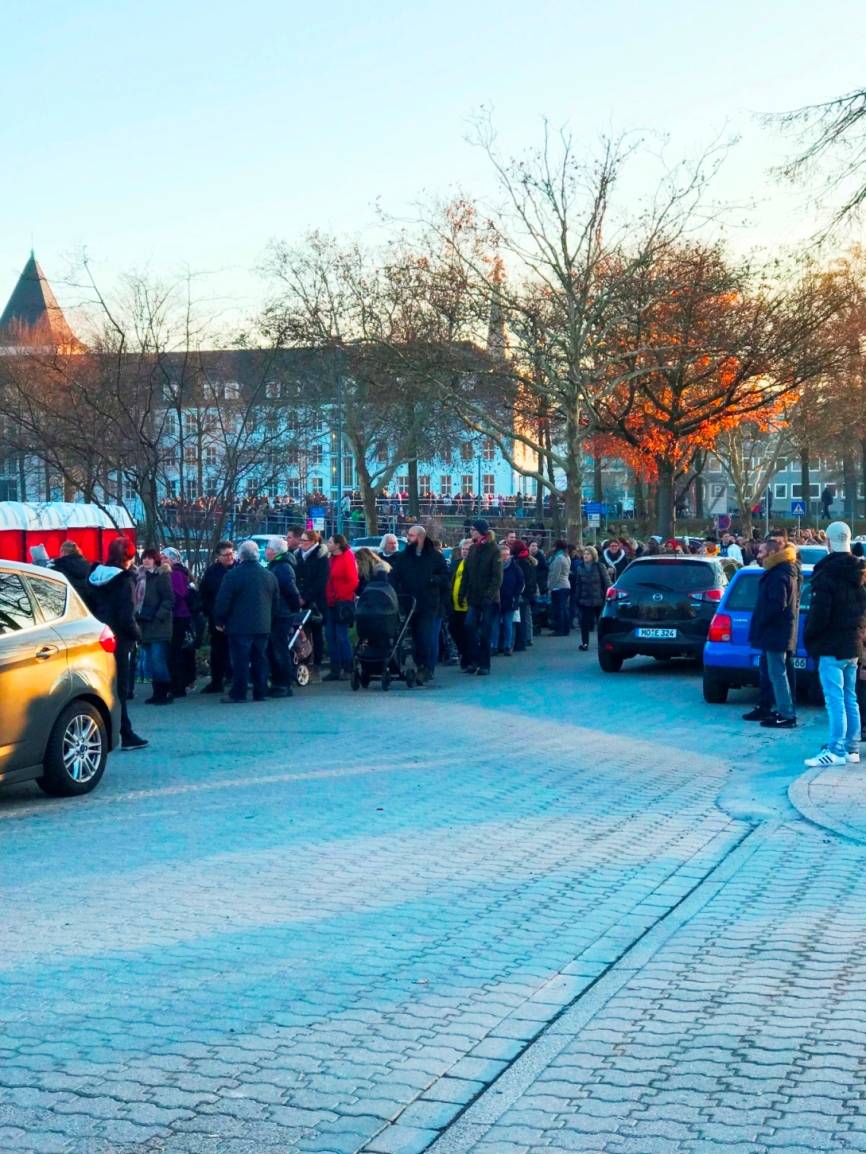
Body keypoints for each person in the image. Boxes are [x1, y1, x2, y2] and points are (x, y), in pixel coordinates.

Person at [803, 521, 866, 767]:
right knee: (850, 697)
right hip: (853, 644)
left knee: (835, 699)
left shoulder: (826, 575)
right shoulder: (860, 573)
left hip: (831, 645)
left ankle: (836, 749)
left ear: (827, 543)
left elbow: (819, 615)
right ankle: (851, 748)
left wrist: (811, 639)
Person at [86, 537, 148, 750]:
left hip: (97, 635)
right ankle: (125, 732)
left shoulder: (94, 576)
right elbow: (126, 615)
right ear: (128, 557)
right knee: (120, 688)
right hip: (119, 640)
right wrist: (137, 633)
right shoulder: (124, 580)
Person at [214, 539, 279, 703]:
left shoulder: (233, 575)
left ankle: (239, 692)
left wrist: (219, 619)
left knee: (240, 660)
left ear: (241, 556)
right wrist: (270, 619)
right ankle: (260, 691)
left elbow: (223, 600)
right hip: (263, 625)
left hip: (239, 625)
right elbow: (276, 601)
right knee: (260, 658)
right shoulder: (269, 575)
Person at [747, 537, 801, 729]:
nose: (758, 556)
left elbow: (776, 605)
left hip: (776, 633)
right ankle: (782, 711)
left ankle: (787, 715)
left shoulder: (779, 575)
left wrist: (761, 620)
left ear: (771, 553)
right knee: (777, 672)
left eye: (761, 552)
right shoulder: (783, 571)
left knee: (777, 674)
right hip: (779, 632)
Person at [390, 524, 449, 681]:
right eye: (408, 535)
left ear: (421, 537)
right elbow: (395, 576)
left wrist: (433, 580)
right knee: (414, 637)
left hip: (428, 604)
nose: (408, 538)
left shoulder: (435, 557)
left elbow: (445, 577)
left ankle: (426, 668)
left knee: (426, 637)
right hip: (409, 603)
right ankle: (416, 664)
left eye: (411, 535)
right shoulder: (403, 557)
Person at [459, 520, 503, 676]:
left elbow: (496, 577)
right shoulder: (472, 550)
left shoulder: (493, 550)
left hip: (488, 599)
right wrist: (462, 592)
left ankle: (484, 664)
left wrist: (489, 595)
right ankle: (474, 660)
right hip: (474, 597)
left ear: (481, 532)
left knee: (485, 631)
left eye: (474, 530)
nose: (471, 532)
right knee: (469, 627)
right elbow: (467, 574)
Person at [137, 549, 175, 705]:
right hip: (144, 624)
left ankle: (164, 693)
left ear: (156, 560)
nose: (146, 561)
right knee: (150, 663)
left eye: (150, 558)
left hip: (159, 625)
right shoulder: (139, 577)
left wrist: (158, 615)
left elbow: (169, 599)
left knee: (158, 660)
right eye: (144, 558)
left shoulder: (161, 576)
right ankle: (156, 692)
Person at [265, 536, 300, 697]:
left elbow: (291, 591)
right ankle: (278, 680)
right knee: (275, 647)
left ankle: (284, 683)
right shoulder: (277, 566)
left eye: (267, 548)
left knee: (279, 648)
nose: (265, 551)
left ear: (273, 551)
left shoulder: (282, 568)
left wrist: (293, 608)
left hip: (282, 613)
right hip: (279, 611)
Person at [199, 541, 235, 693]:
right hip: (217, 617)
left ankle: (233, 677)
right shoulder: (212, 572)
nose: (229, 557)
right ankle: (217, 681)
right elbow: (204, 594)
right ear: (218, 556)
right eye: (226, 555)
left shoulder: (238, 569)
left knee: (235, 649)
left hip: (235, 617)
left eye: (231, 553)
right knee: (218, 650)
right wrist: (210, 611)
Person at [323, 534, 359, 681]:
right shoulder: (330, 559)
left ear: (338, 545)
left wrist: (340, 595)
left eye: (330, 542)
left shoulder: (347, 557)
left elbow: (353, 581)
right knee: (330, 635)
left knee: (341, 636)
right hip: (330, 602)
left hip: (342, 602)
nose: (328, 544)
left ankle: (348, 667)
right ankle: (335, 668)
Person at [162, 547, 196, 698]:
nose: (162, 561)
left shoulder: (175, 574)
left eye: (165, 558)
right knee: (180, 651)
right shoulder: (181, 572)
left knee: (176, 652)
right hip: (181, 616)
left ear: (173, 559)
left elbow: (177, 595)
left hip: (179, 617)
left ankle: (178, 685)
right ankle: (180, 683)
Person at [295, 530, 330, 678]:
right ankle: (304, 659)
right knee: (302, 632)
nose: (301, 543)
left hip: (316, 601)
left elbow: (320, 582)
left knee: (316, 632)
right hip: (300, 597)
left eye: (304, 540)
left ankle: (316, 663)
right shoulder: (298, 555)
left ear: (313, 542)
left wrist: (306, 597)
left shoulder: (320, 557)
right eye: (301, 540)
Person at [572, 546, 611, 651]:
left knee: (601, 623)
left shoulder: (600, 566)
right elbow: (578, 584)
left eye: (588, 554)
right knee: (584, 623)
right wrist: (577, 598)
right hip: (585, 600)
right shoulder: (580, 567)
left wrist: (608, 595)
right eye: (584, 554)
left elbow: (607, 582)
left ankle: (601, 643)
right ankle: (585, 643)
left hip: (598, 599)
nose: (585, 556)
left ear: (593, 556)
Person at [494, 543, 525, 655]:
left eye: (507, 555)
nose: (505, 557)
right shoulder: (494, 566)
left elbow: (520, 583)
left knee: (508, 624)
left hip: (510, 599)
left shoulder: (515, 568)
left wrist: (515, 595)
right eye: (503, 555)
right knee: (495, 624)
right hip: (496, 598)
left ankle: (508, 646)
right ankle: (494, 646)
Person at [449, 539, 472, 669]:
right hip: (455, 605)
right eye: (463, 549)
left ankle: (469, 658)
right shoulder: (455, 564)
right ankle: (463, 653)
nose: (465, 552)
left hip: (469, 605)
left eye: (468, 549)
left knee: (468, 633)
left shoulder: (474, 565)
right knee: (454, 630)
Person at [511, 540, 537, 651]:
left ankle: (522, 641)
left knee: (520, 618)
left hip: (523, 594)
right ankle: (528, 638)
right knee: (526, 617)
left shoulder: (519, 562)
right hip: (529, 593)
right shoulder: (528, 560)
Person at [548, 540, 572, 636]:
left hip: (559, 586)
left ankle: (559, 629)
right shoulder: (566, 557)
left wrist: (550, 587)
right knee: (564, 608)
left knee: (559, 609)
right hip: (566, 585)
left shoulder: (558, 558)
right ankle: (566, 628)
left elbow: (555, 574)